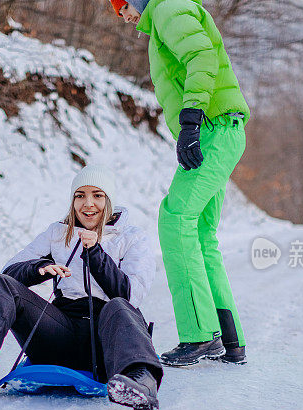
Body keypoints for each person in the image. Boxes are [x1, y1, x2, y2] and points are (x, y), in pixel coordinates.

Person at [0, 165, 163, 410]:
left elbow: (131, 295)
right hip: (59, 333)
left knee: (118, 305)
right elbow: (10, 271)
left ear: (109, 200)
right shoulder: (58, 233)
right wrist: (39, 268)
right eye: (80, 195)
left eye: (97, 195)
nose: (88, 204)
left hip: (107, 341)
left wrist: (95, 254)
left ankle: (139, 381)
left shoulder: (132, 237)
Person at [109, 0, 249, 366]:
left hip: (213, 128)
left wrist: (190, 120)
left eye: (121, 5)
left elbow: (201, 58)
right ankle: (228, 338)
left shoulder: (169, 9)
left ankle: (200, 336)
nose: (122, 16)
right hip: (220, 129)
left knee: (175, 218)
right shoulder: (166, 16)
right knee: (201, 234)